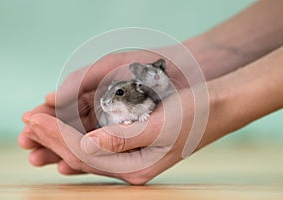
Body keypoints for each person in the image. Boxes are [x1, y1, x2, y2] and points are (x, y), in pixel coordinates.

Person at [18, 0, 283, 185]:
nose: (108, 101)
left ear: (136, 90)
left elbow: (148, 108)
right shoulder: (117, 102)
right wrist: (207, 58)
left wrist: (218, 104)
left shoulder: (143, 99)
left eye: (118, 93)